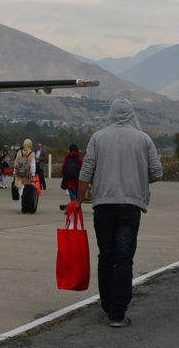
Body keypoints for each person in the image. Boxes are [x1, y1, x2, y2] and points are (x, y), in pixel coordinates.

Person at [76, 98, 163, 328]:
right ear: (132, 114)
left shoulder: (98, 137)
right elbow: (157, 172)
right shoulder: (144, 139)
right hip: (130, 207)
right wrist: (137, 177)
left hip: (103, 206)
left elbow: (86, 171)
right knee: (124, 259)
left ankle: (106, 304)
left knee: (105, 256)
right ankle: (117, 314)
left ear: (111, 115)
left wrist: (77, 201)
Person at [59, 143, 82, 210]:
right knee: (77, 191)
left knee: (71, 191)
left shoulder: (67, 157)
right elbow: (82, 167)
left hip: (69, 178)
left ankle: (72, 203)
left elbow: (63, 166)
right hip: (77, 178)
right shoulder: (78, 157)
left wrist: (64, 175)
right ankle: (78, 205)